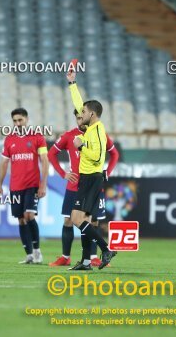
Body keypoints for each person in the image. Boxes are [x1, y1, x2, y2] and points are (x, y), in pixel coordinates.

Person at [48, 109, 120, 267]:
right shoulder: (69, 135)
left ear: (89, 116)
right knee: (70, 220)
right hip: (74, 186)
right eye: (78, 118)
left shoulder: (97, 134)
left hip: (91, 184)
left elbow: (114, 154)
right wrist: (62, 173)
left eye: (83, 117)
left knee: (91, 221)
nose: (81, 120)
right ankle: (67, 257)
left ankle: (92, 258)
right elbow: (51, 154)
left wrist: (108, 171)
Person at [64, 69, 117, 270]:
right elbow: (79, 104)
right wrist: (72, 83)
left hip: (90, 178)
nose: (80, 114)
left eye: (83, 113)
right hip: (91, 178)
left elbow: (98, 156)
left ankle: (106, 249)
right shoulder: (92, 126)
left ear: (92, 114)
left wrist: (81, 146)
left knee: (76, 218)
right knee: (85, 219)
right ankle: (86, 262)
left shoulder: (96, 131)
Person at [0, 108, 48, 264]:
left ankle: (38, 251)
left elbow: (44, 161)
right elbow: (4, 163)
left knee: (29, 215)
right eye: (15, 121)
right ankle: (29, 255)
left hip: (32, 184)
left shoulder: (38, 137)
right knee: (20, 219)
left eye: (20, 120)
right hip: (15, 186)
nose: (18, 123)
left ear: (27, 119)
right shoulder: (9, 139)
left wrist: (43, 184)